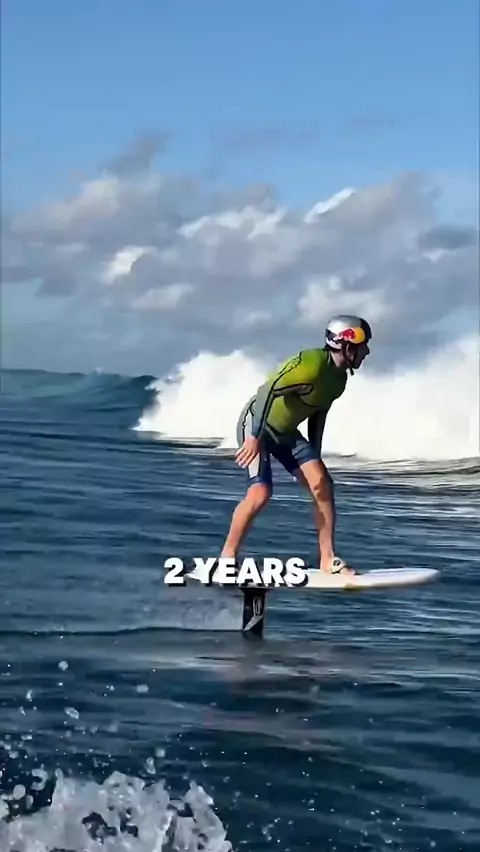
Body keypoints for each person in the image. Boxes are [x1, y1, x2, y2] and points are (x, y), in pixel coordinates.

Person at [220, 314, 372, 575]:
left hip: (286, 433)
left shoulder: (339, 380)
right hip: (257, 425)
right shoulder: (311, 365)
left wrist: (314, 456)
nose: (367, 352)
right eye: (363, 346)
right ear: (346, 345)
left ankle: (327, 559)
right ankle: (227, 557)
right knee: (260, 493)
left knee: (322, 483)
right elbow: (266, 391)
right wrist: (254, 438)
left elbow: (318, 414)